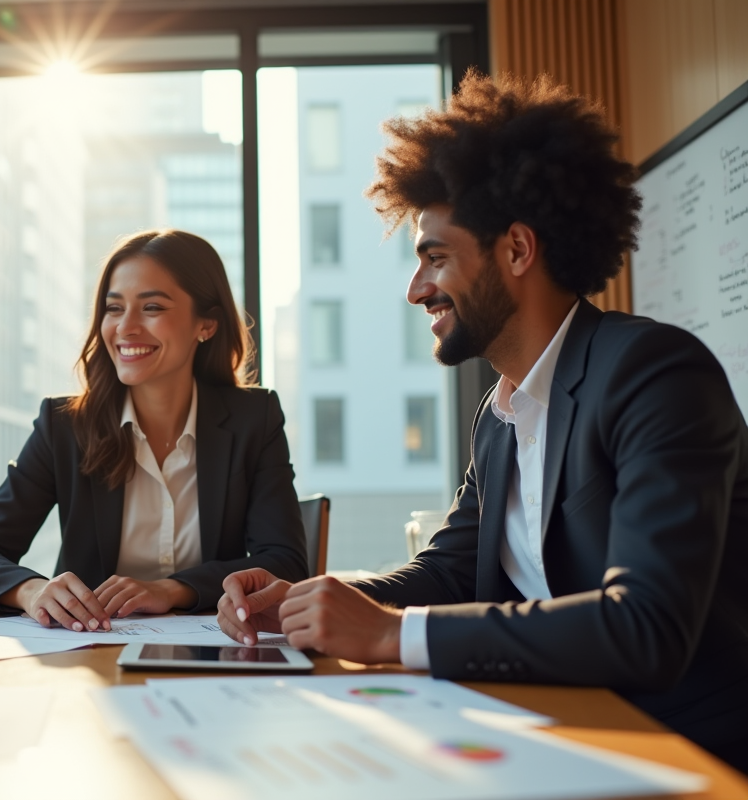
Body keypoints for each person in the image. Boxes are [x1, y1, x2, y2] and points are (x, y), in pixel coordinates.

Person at [215, 71, 748, 772]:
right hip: (555, 733)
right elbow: (448, 573)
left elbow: (643, 625)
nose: (416, 289)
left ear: (517, 251)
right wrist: (313, 600)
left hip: (681, 755)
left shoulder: (653, 373)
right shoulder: (500, 417)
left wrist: (392, 635)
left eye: (435, 257)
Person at [0, 229, 308, 631]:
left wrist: (172, 590)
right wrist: (32, 590)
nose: (126, 327)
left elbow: (285, 563)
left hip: (213, 653)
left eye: (151, 307)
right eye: (114, 308)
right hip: (89, 655)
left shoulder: (252, 420)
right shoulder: (65, 427)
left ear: (206, 324)